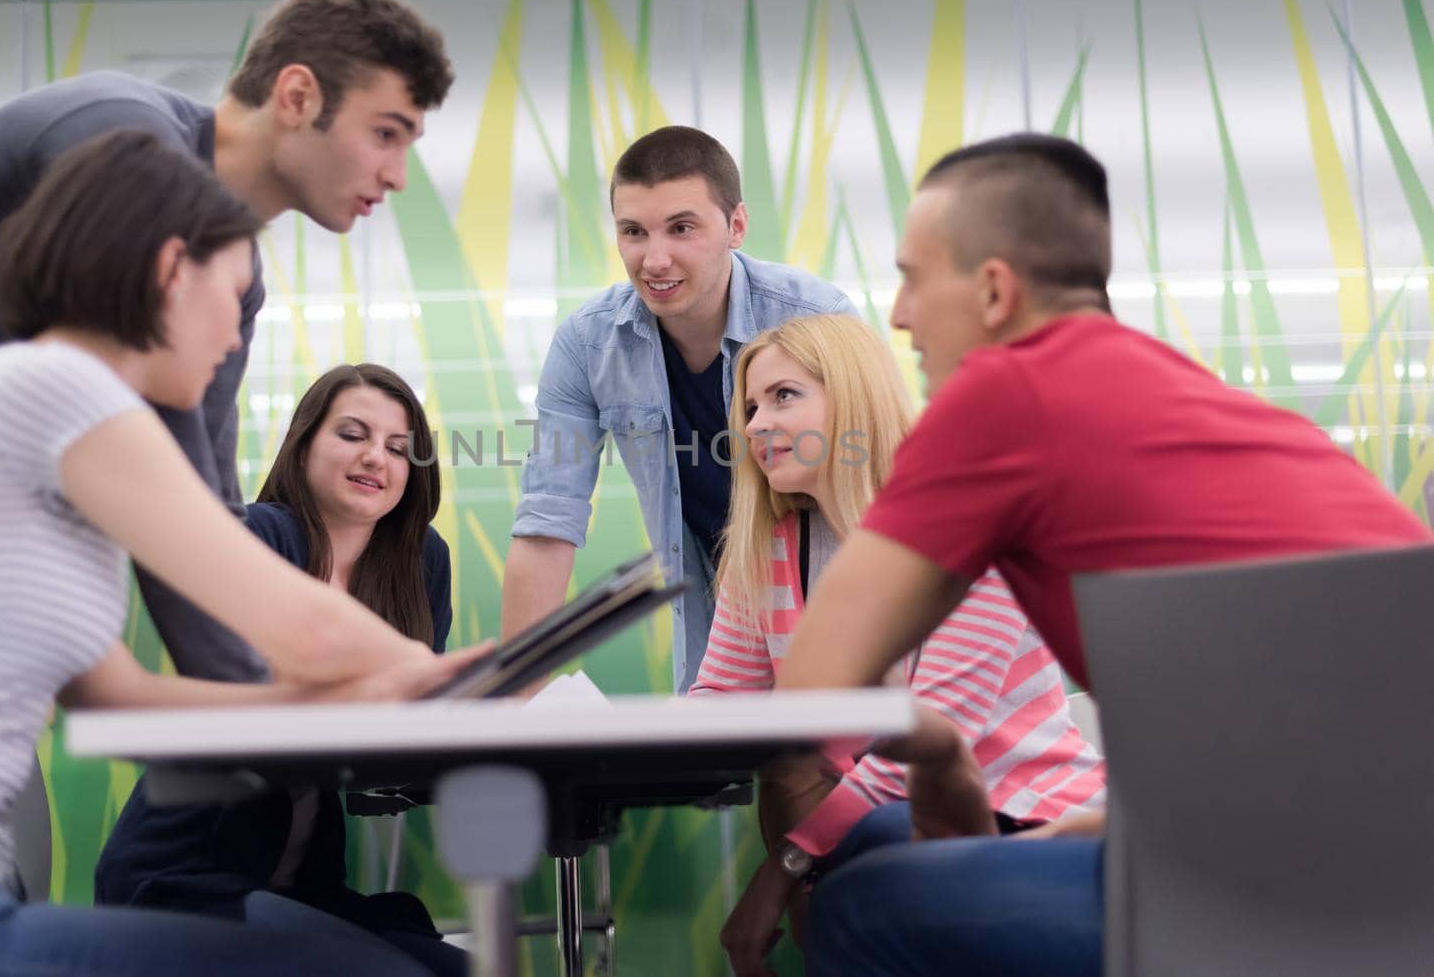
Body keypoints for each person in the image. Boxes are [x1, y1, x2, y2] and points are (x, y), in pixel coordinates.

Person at [760, 133, 1433, 975]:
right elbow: (1314, 718)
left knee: (863, 906)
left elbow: (813, 686)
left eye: (913, 277)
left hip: (1292, 889)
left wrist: (941, 753)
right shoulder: (1196, 401)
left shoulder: (1001, 393)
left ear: (996, 291)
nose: (899, 314)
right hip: (1392, 872)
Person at [0, 130, 491, 977]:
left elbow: (123, 702)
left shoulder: (46, 433)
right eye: (239, 296)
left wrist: (362, 700)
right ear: (172, 271)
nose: (234, 337)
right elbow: (305, 629)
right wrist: (449, 681)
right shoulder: (59, 386)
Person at [0, 0, 453, 685]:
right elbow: (190, 534)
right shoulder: (117, 139)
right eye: (385, 133)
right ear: (297, 97)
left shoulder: (226, 274)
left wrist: (260, 722)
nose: (398, 175)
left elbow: (207, 513)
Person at [686, 313, 1103, 976]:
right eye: (750, 406)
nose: (757, 423)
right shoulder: (766, 548)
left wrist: (783, 870)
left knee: (869, 834)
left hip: (1026, 819)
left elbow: (932, 749)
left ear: (853, 397)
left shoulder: (964, 531)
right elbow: (719, 699)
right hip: (879, 826)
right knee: (816, 793)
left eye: (784, 396)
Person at [96, 363, 463, 975]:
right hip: (186, 883)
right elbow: (258, 698)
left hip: (302, 886)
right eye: (352, 434)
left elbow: (409, 726)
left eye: (399, 448)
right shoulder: (262, 537)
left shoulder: (422, 562)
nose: (376, 458)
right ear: (304, 443)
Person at [501, 125, 858, 691]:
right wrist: (515, 707)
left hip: (829, 593)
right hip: (718, 611)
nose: (654, 259)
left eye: (682, 228)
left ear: (736, 225)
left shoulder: (817, 318)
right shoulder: (588, 344)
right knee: (715, 765)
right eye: (633, 232)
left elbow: (869, 492)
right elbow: (547, 523)